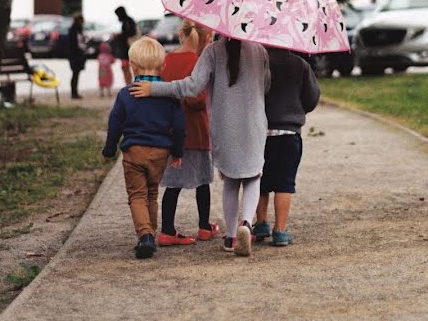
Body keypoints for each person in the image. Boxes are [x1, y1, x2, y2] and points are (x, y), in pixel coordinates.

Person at [131, 36, 270, 257]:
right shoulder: (260, 50)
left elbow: (192, 87)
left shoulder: (213, 51)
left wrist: (154, 88)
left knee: (231, 179)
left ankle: (232, 236)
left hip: (224, 127)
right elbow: (266, 85)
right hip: (254, 124)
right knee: (254, 175)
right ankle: (247, 223)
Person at [102, 37, 185, 259]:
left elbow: (115, 123)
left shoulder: (125, 94)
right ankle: (150, 234)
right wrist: (178, 151)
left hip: (134, 151)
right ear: (163, 66)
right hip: (160, 152)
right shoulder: (168, 95)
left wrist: (109, 149)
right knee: (151, 194)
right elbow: (179, 125)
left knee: (137, 195)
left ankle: (145, 236)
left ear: (133, 66)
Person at [157, 21, 218, 247]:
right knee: (202, 181)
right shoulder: (198, 63)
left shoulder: (166, 60)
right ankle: (204, 226)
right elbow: (197, 99)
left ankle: (167, 229)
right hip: (196, 131)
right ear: (207, 39)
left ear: (181, 34)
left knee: (173, 184)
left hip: (171, 132)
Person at [253, 47, 320, 246]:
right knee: (285, 183)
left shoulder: (258, 63)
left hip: (260, 130)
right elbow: (312, 96)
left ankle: (261, 223)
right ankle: (280, 231)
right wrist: (297, 108)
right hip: (288, 133)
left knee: (259, 179)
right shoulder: (300, 64)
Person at [113, 6, 139, 85]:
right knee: (129, 68)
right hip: (128, 49)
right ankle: (131, 84)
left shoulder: (128, 21)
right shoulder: (128, 21)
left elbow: (131, 33)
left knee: (128, 68)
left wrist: (119, 35)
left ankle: (130, 85)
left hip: (128, 49)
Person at [67, 13, 88, 99]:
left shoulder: (73, 29)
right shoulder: (76, 30)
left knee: (75, 74)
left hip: (74, 55)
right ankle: (74, 93)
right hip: (76, 55)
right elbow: (78, 43)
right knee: (75, 74)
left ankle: (74, 92)